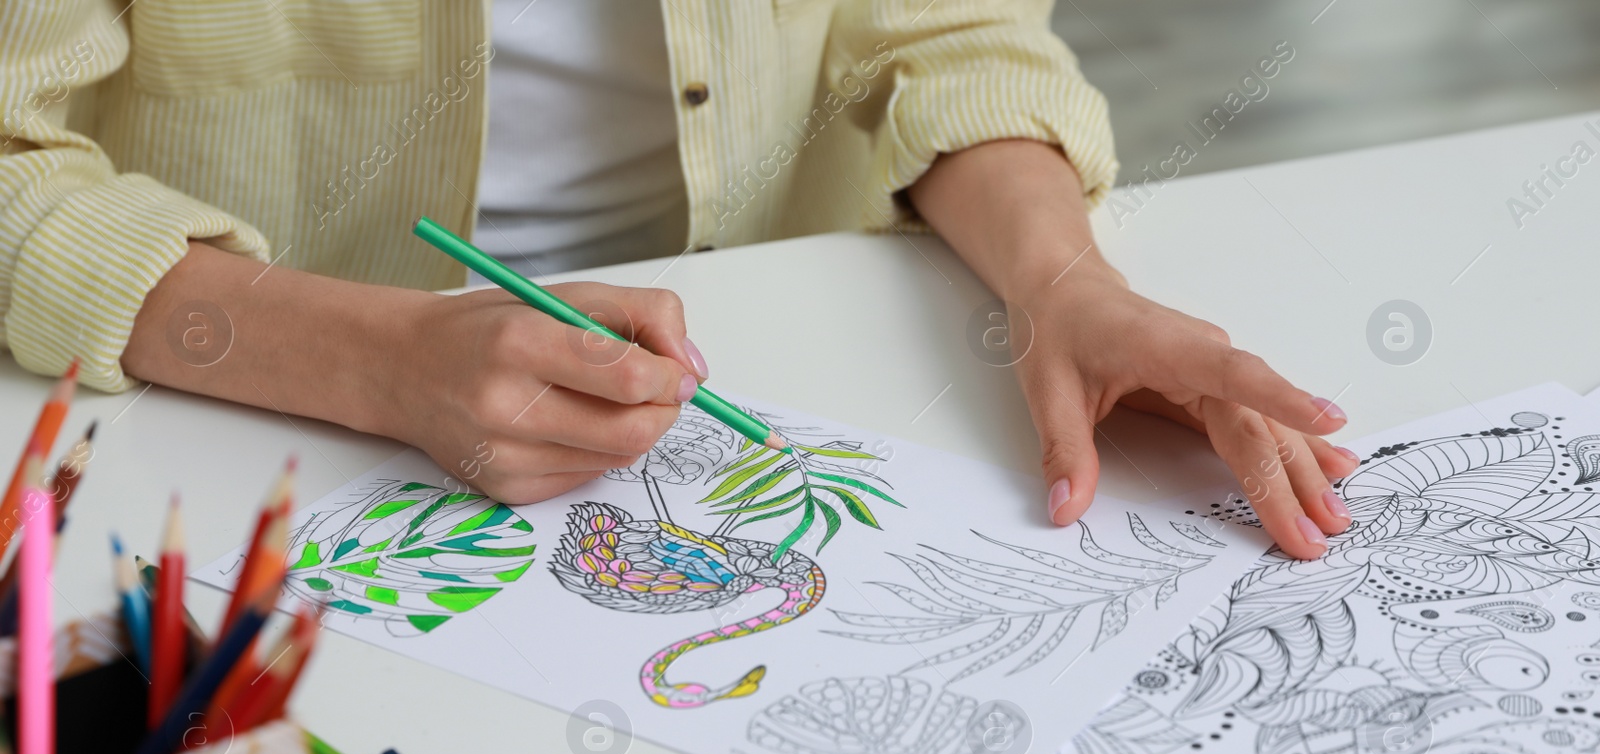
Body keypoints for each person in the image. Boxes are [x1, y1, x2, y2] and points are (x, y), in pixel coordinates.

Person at [0, 0, 1354, 559]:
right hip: (233, 424)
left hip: (788, 336)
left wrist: (1063, 278)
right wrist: (376, 359)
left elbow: (945, 32)